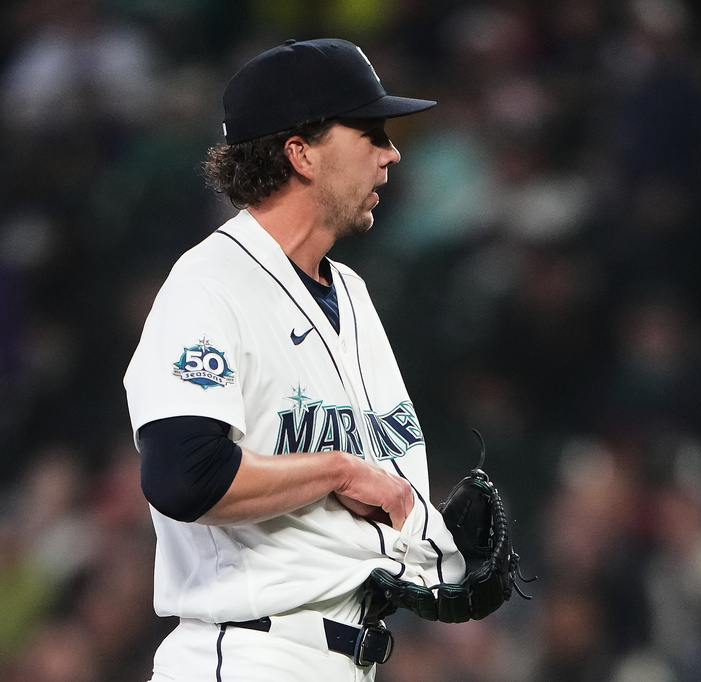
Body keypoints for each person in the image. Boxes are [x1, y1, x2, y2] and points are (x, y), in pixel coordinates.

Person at [123, 38, 467, 681]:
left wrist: (445, 554)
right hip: (252, 651)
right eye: (370, 131)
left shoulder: (355, 297)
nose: (391, 153)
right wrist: (336, 471)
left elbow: (382, 494)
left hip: (347, 657)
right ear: (300, 152)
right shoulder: (209, 285)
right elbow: (185, 477)